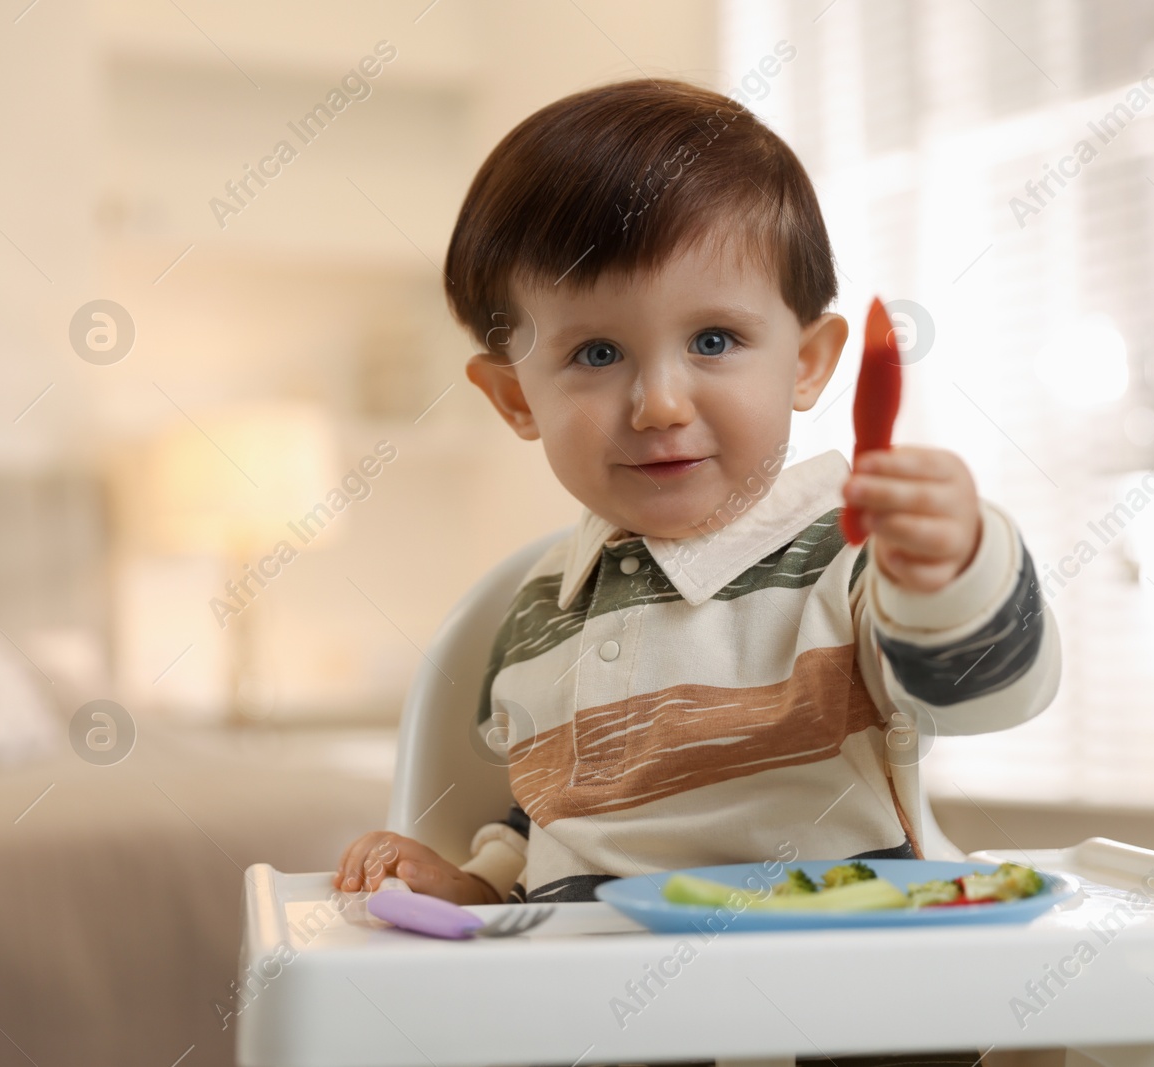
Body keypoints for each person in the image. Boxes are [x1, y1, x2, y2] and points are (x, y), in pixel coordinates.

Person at [335, 76, 1058, 919]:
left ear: (808, 362)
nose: (661, 404)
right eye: (598, 353)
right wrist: (480, 880)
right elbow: (561, 815)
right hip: (600, 1011)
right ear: (517, 399)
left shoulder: (854, 561)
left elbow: (983, 693)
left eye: (714, 340)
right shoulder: (534, 615)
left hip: (847, 996)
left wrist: (955, 568)